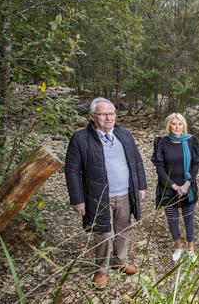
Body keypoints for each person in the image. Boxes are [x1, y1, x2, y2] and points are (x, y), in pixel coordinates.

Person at [65, 97, 147, 289]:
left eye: (111, 114)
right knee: (103, 233)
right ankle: (101, 270)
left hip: (125, 194)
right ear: (93, 117)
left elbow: (136, 161)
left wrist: (140, 186)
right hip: (98, 196)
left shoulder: (124, 135)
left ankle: (120, 261)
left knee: (123, 228)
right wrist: (78, 199)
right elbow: (72, 171)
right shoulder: (81, 138)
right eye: (103, 114)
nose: (109, 118)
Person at [151, 113, 199, 262]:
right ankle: (178, 246)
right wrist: (173, 186)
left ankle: (190, 248)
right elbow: (159, 168)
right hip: (167, 186)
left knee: (189, 218)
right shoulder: (162, 143)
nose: (177, 127)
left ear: (183, 125)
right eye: (174, 124)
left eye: (180, 124)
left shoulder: (191, 141)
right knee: (172, 218)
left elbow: (195, 164)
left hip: (188, 186)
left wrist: (186, 185)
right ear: (169, 125)